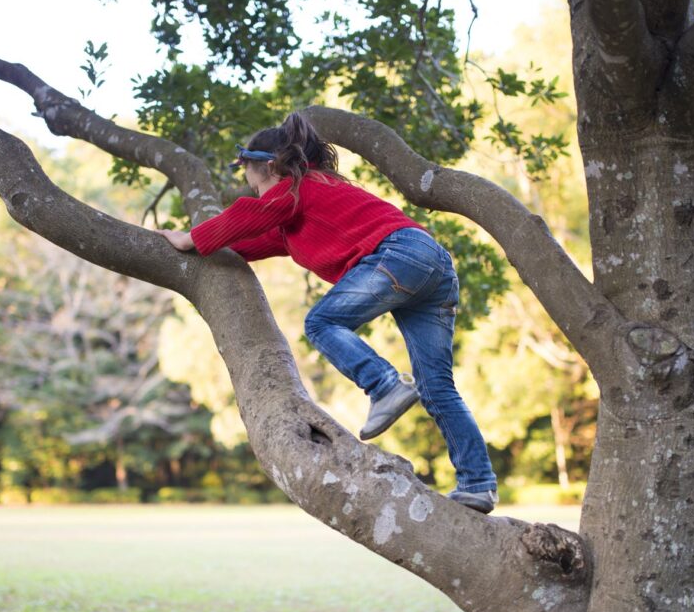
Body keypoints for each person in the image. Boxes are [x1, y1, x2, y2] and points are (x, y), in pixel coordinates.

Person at [156, 112, 498, 513]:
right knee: (437, 387)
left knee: (321, 322)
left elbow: (249, 213)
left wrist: (189, 237)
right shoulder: (297, 210)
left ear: (267, 165)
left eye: (245, 169)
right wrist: (202, 247)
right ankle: (477, 484)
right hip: (431, 267)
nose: (244, 179)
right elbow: (251, 239)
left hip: (401, 255)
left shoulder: (294, 189)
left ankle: (384, 385)